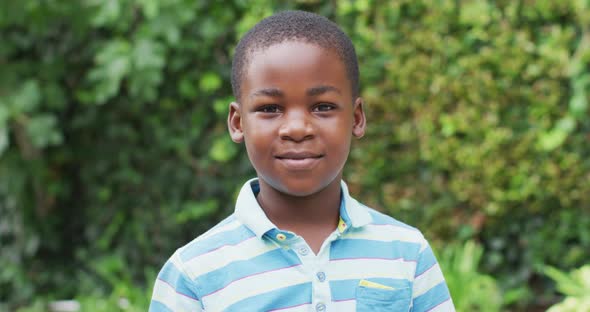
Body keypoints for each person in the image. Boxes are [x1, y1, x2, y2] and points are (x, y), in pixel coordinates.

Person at [149, 10, 454, 312]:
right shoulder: (194, 275)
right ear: (238, 122)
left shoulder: (406, 253)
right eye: (270, 109)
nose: (297, 128)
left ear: (357, 118)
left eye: (322, 107)